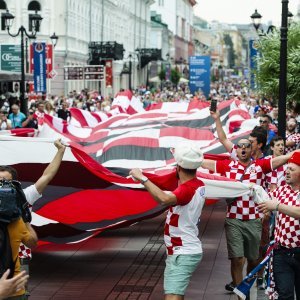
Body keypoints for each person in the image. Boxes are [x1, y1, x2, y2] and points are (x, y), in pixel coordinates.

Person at [200, 138, 296, 299]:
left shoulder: (260, 166)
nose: (243, 149)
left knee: (252, 260)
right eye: (240, 146)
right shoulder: (227, 166)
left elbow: (285, 158)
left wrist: (293, 154)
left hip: (254, 220)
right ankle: (241, 296)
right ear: (236, 150)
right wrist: (182, 156)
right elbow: (200, 162)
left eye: (247, 146)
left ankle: (246, 284)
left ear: (252, 150)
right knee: (237, 259)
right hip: (233, 219)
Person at [129, 142, 205, 300]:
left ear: (178, 167)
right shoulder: (198, 184)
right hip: (185, 250)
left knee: (172, 297)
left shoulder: (186, 189)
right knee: (176, 295)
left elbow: (163, 198)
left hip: (182, 251)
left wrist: (143, 178)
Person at [0, 139, 66, 298]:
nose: (3, 186)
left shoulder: (24, 196)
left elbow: (47, 175)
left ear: (15, 183)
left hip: (20, 258)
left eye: (6, 181)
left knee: (19, 294)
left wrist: (60, 151)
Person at [258, 151, 300, 299]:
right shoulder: (281, 190)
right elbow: (264, 202)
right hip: (281, 253)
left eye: (292, 169)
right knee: (284, 296)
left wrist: (277, 206)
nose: (287, 172)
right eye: (287, 168)